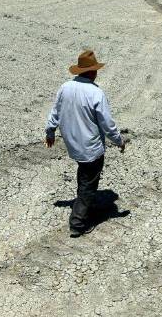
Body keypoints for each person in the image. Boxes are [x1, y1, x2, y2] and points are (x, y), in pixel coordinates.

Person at [45, 50, 126, 237]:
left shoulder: (65, 87)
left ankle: (85, 202)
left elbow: (55, 113)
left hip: (73, 145)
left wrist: (50, 132)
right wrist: (119, 141)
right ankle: (78, 223)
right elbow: (107, 125)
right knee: (88, 184)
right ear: (92, 72)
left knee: (84, 176)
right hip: (90, 148)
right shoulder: (96, 93)